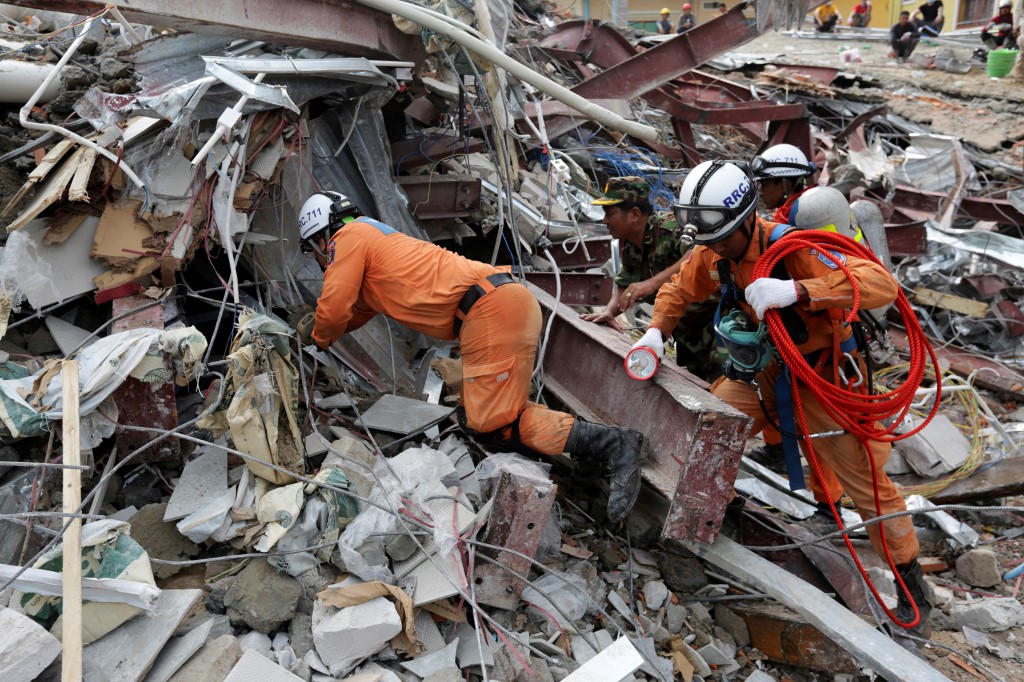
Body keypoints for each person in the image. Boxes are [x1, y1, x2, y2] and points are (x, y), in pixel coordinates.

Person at [629, 160, 932, 635]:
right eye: (709, 242)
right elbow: (679, 288)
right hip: (766, 371)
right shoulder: (714, 253)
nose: (715, 249)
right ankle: (715, 522)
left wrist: (799, 289)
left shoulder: (794, 247)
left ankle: (910, 582)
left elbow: (879, 284)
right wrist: (654, 333)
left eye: (722, 239)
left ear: (746, 219)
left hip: (821, 378)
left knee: (867, 486)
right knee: (707, 425)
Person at [294, 191, 648, 522]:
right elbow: (353, 311)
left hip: (490, 309)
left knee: (491, 423)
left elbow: (334, 308)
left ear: (321, 238)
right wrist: (323, 333)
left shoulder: (348, 238)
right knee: (488, 415)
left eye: (314, 251)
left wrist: (317, 337)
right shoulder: (371, 240)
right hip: (496, 306)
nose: (320, 260)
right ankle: (587, 451)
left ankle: (611, 444)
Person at [580, 177, 720, 380]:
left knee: (721, 384)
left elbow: (699, 254)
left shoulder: (672, 228)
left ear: (635, 214)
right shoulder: (631, 244)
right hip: (685, 333)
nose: (605, 220)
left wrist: (651, 284)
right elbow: (625, 282)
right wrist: (610, 312)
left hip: (713, 325)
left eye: (610, 214)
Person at [752, 143, 816, 225]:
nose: (761, 192)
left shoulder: (804, 219)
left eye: (765, 185)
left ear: (786, 185)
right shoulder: (801, 210)